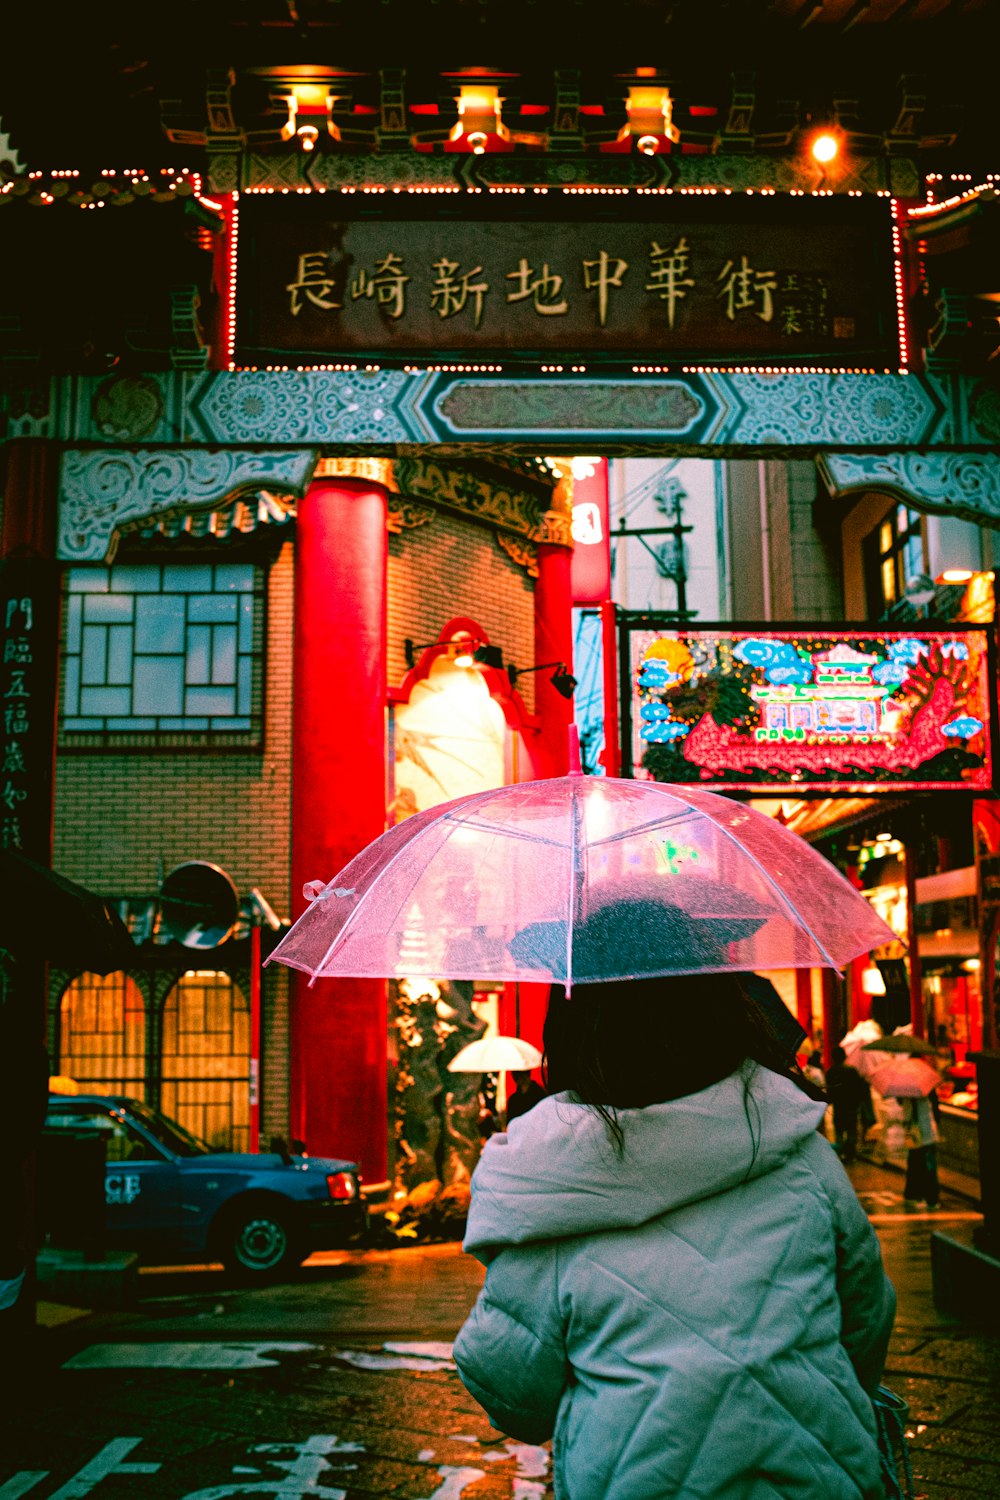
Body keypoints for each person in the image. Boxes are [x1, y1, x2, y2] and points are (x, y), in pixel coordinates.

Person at [454, 973, 895, 1500]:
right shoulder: (800, 1150)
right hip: (823, 1473)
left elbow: (515, 1395)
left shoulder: (546, 1188)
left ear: (577, 1027)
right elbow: (867, 1316)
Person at [825, 1044, 869, 1163]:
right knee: (851, 1130)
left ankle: (840, 1153)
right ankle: (850, 1154)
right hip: (851, 1106)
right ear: (844, 1056)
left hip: (838, 1106)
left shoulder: (830, 1072)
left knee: (839, 1131)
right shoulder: (851, 1071)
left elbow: (829, 1091)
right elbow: (859, 1088)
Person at [901, 1091, 940, 1210]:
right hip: (923, 1134)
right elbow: (936, 1111)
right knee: (923, 1165)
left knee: (918, 1164)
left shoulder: (907, 1096)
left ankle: (921, 1196)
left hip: (919, 1134)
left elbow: (906, 1116)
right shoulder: (925, 1094)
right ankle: (927, 1197)